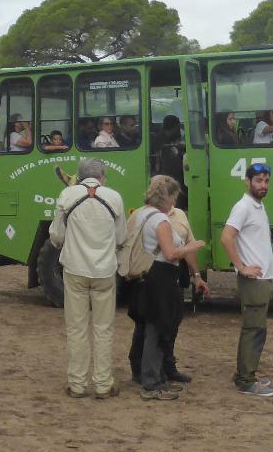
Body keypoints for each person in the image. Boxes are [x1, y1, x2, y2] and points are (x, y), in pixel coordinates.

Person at [49, 158, 127, 398]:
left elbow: (56, 236)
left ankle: (77, 384)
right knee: (103, 329)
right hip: (104, 271)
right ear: (102, 176)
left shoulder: (67, 196)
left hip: (75, 269)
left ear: (80, 176)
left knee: (76, 329)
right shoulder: (114, 198)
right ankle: (103, 384)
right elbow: (120, 238)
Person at [126, 176, 207, 399]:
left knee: (146, 327)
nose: (174, 202)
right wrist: (191, 247)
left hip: (143, 276)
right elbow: (170, 253)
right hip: (160, 278)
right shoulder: (160, 220)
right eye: (174, 197)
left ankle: (148, 374)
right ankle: (152, 382)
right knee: (158, 329)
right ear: (167, 196)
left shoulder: (139, 214)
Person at [220, 161, 273, 397]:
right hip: (253, 281)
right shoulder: (243, 207)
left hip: (261, 279)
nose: (263, 185)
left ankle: (245, 374)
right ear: (248, 182)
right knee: (254, 329)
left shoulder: (257, 206)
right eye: (258, 181)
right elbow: (226, 237)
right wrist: (241, 267)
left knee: (256, 328)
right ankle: (246, 380)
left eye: (266, 181)